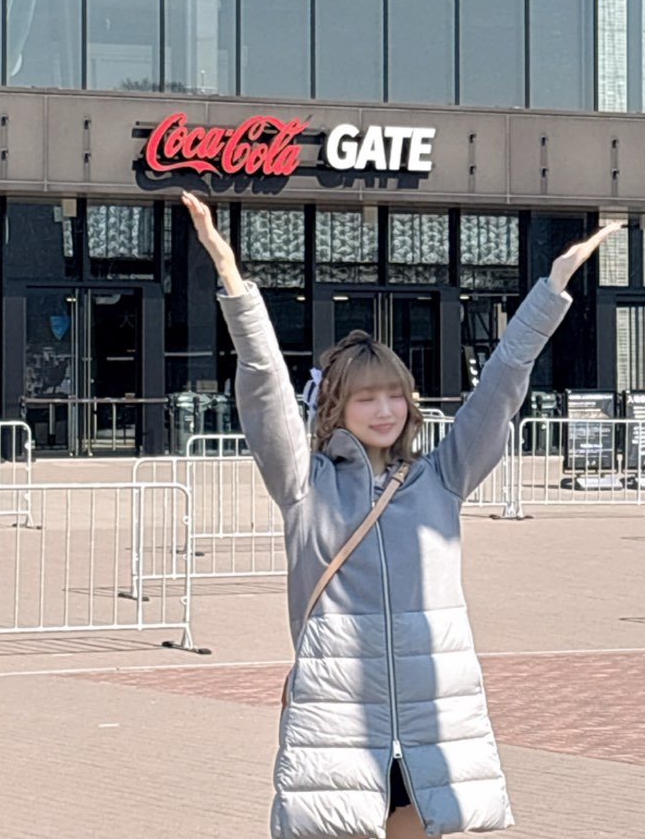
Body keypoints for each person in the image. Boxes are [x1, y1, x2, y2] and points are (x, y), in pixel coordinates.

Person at [181, 191, 620, 839]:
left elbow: (503, 380)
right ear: (336, 406)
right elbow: (264, 381)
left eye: (395, 394)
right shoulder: (305, 485)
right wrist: (232, 278)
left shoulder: (439, 477)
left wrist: (552, 288)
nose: (385, 410)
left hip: (427, 721)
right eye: (367, 398)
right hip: (340, 719)